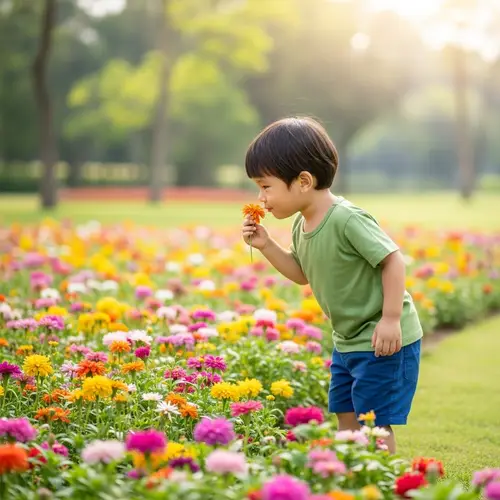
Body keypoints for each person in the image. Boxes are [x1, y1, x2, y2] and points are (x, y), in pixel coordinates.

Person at [241, 116, 422, 454]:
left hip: (382, 339)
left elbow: (393, 260)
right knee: (345, 415)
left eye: (265, 186)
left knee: (374, 424)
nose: (261, 197)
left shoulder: (346, 219)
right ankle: (351, 477)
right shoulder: (301, 224)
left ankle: (379, 481)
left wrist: (391, 318)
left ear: (304, 181)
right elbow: (301, 273)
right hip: (348, 341)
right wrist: (266, 245)